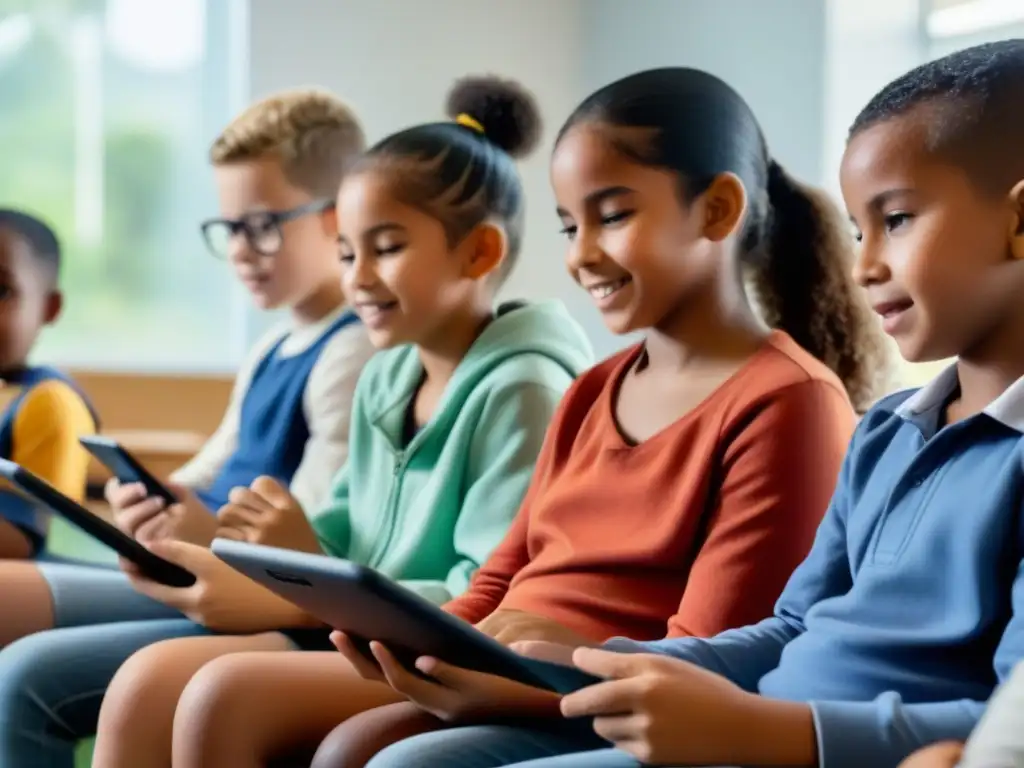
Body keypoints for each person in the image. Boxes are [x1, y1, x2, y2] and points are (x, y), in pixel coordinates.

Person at [158, 65, 885, 768]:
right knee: (336, 739)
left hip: (598, 702)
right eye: (570, 226)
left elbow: (713, 657)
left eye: (615, 215)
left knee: (339, 741)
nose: (582, 255)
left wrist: (528, 676)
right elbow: (498, 578)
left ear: (717, 210)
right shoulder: (592, 391)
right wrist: (426, 643)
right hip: (505, 669)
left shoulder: (787, 402)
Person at [349, 40, 1024, 768]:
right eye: (860, 230)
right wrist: (574, 668)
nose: (864, 266)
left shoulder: (797, 401)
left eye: (896, 221)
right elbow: (794, 624)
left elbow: (1002, 724)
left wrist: (756, 730)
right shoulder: (889, 432)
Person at [77, 75, 593, 768]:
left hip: (433, 651)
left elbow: (482, 596)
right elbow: (344, 535)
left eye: (386, 248)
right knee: (144, 686)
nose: (356, 278)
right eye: (348, 253)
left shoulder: (525, 389)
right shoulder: (388, 374)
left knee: (213, 695)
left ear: (480, 254)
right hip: (354, 630)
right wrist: (278, 550)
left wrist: (307, 576)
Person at [0, 88, 377, 765]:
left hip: (251, 592)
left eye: (261, 225)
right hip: (200, 567)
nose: (239, 249)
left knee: (22, 654)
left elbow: (317, 529)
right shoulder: (272, 346)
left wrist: (199, 525)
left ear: (334, 218)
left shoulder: (353, 350)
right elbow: (203, 475)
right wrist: (146, 499)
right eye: (228, 228)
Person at [0, 209, 98, 559]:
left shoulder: (50, 404)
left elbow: (26, 539)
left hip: (35, 584)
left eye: (1, 292)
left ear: (49, 307)